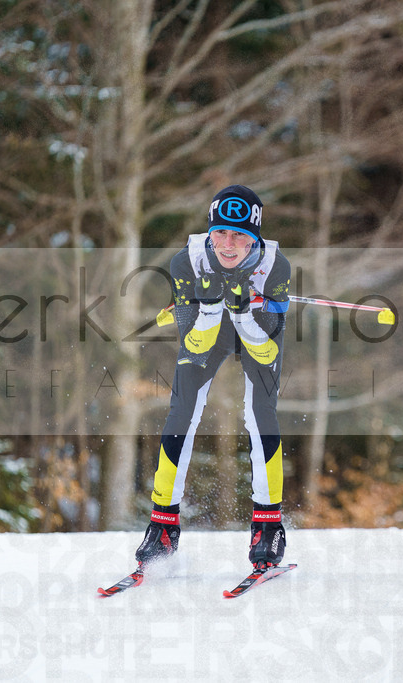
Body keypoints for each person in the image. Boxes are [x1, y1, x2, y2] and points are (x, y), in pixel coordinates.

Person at [135, 185, 291, 571]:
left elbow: (265, 352)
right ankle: (163, 524)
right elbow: (195, 344)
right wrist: (207, 307)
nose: (228, 242)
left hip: (256, 330)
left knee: (260, 413)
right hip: (208, 332)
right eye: (220, 231)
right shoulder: (185, 263)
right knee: (182, 410)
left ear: (254, 236)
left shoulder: (275, 267)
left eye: (240, 234)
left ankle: (268, 527)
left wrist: (240, 312)